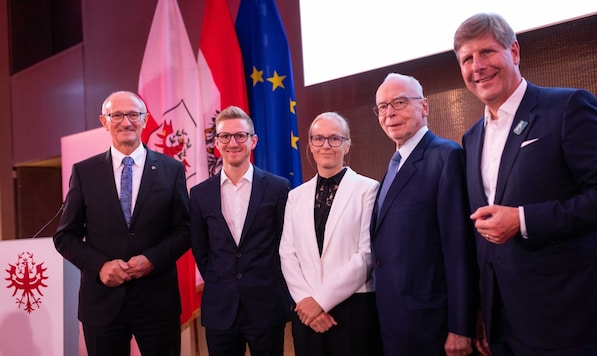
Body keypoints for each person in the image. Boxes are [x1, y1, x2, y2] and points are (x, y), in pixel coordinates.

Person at [454, 12, 597, 355]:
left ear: (514, 52)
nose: (478, 66)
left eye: (487, 52)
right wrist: (481, 310)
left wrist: (522, 221)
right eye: (467, 59)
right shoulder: (471, 137)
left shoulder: (567, 107)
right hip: (501, 322)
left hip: (564, 319)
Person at [53, 90, 190, 355]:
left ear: (145, 119)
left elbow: (185, 229)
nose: (125, 122)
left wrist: (152, 259)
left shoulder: (171, 170)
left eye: (133, 115)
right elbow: (65, 237)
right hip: (102, 303)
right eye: (116, 115)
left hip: (158, 301)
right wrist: (100, 266)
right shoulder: (84, 172)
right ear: (104, 121)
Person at [370, 73, 478, 356]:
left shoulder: (446, 156)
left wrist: (460, 326)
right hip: (393, 321)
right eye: (382, 107)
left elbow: (458, 250)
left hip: (432, 324)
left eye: (400, 102)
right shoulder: (394, 165)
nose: (389, 113)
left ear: (425, 107)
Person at [189, 105, 291, 356]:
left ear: (253, 140)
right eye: (225, 136)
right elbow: (201, 249)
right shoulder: (200, 194)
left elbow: (286, 245)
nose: (232, 142)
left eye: (240, 136)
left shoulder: (279, 188)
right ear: (216, 142)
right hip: (220, 308)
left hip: (266, 306)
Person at [279, 112, 383, 356]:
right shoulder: (295, 196)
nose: (326, 145)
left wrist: (321, 301)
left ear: (347, 145)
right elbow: (287, 253)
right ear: (310, 145)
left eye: (334, 139)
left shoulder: (368, 189)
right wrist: (307, 302)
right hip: (305, 311)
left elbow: (366, 255)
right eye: (318, 139)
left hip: (353, 308)